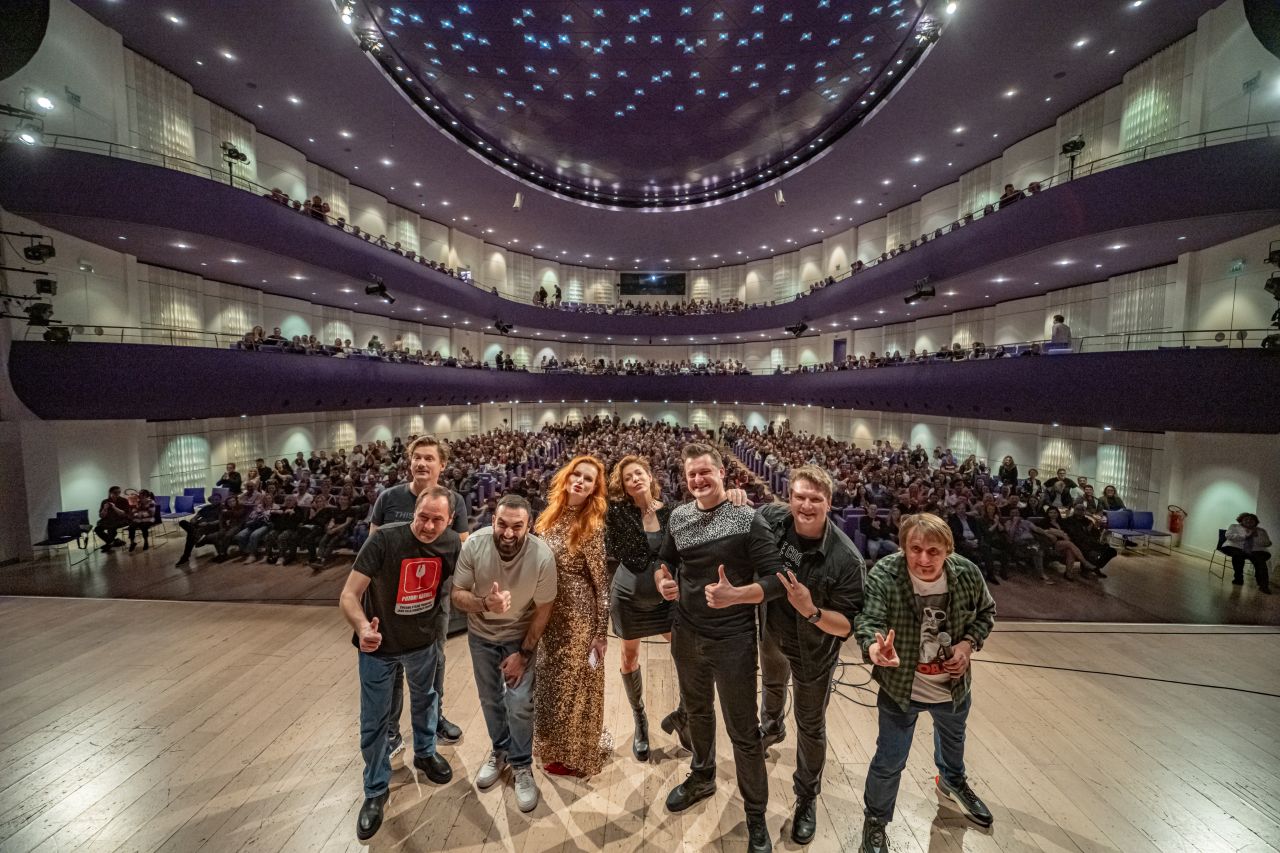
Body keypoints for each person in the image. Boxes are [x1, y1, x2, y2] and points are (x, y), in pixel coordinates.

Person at [655, 442, 786, 853]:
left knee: (744, 732)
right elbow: (665, 562)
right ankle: (703, 775)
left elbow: (778, 579)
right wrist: (663, 582)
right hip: (688, 634)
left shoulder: (748, 519)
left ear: (722, 473)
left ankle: (755, 815)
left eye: (705, 472)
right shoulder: (678, 517)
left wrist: (739, 594)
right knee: (696, 713)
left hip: (733, 640)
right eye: (692, 474)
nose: (698, 480)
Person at [856, 513, 997, 853]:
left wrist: (967, 645)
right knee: (889, 760)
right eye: (914, 549)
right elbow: (868, 620)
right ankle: (876, 820)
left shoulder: (967, 573)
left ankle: (952, 781)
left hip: (953, 688)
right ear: (903, 547)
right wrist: (876, 648)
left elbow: (986, 613)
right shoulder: (886, 575)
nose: (923, 559)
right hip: (900, 687)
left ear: (948, 549)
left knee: (953, 742)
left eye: (933, 551)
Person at [339, 487, 462, 841]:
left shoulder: (452, 543)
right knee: (375, 720)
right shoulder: (383, 541)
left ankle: (425, 754)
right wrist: (363, 627)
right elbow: (348, 594)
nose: (427, 526)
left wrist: (488, 601)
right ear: (415, 512)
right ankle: (376, 790)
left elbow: (458, 588)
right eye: (422, 517)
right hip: (378, 645)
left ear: (449, 520)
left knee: (427, 701)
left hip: (422, 643)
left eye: (437, 519)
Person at [756, 466, 865, 845]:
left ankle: (806, 797)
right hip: (772, 631)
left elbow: (847, 626)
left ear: (829, 504)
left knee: (811, 724)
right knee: (771, 684)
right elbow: (742, 518)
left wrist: (811, 609)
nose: (805, 505)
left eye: (815, 499)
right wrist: (735, 499)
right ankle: (770, 727)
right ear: (789, 498)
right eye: (799, 496)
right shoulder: (774, 519)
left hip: (814, 651)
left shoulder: (846, 560)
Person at [451, 495, 557, 813]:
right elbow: (457, 594)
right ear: (493, 520)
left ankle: (521, 764)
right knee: (490, 700)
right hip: (481, 636)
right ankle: (500, 752)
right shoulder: (474, 545)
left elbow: (543, 610)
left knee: (520, 702)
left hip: (519, 637)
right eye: (502, 524)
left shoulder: (541, 555)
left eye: (517, 526)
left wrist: (523, 654)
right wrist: (485, 604)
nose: (508, 533)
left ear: (529, 526)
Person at [369, 436, 471, 751]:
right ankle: (390, 731)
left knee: (434, 662)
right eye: (417, 458)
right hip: (389, 603)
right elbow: (372, 549)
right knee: (392, 666)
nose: (422, 463)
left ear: (442, 465)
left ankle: (434, 718)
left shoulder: (454, 501)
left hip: (432, 601)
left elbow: (462, 549)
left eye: (429, 458)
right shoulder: (388, 498)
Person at [533, 455, 611, 777]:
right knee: (550, 683)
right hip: (548, 612)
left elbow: (601, 585)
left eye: (588, 479)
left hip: (579, 616)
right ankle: (553, 747)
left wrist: (600, 632)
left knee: (575, 686)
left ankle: (576, 753)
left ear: (594, 489)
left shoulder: (590, 525)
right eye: (576, 475)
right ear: (566, 478)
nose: (580, 481)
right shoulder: (549, 517)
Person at [604, 455, 674, 762]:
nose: (635, 479)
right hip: (628, 599)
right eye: (628, 477)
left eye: (639, 473)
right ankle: (640, 720)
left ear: (649, 475)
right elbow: (628, 553)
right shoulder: (618, 513)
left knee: (683, 652)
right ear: (624, 486)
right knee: (629, 657)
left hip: (665, 601)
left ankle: (687, 713)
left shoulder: (672, 511)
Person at [1223, 513, 1271, 593]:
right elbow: (1228, 535)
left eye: (1251, 519)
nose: (1249, 520)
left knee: (1260, 562)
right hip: (1236, 548)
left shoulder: (1261, 531)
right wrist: (1245, 536)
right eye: (1246, 519)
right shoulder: (1234, 526)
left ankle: (1263, 585)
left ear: (1255, 522)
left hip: (1255, 550)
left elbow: (1267, 543)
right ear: (1241, 520)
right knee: (1238, 556)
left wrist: (1255, 537)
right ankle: (1238, 578)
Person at [95, 486, 131, 551]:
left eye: (119, 492)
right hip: (108, 520)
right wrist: (105, 508)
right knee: (97, 529)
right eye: (115, 492)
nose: (117, 494)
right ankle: (113, 542)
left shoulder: (124, 500)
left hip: (121, 519)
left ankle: (109, 544)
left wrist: (114, 507)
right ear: (110, 492)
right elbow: (101, 516)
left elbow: (123, 514)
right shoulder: (105, 501)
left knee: (111, 527)